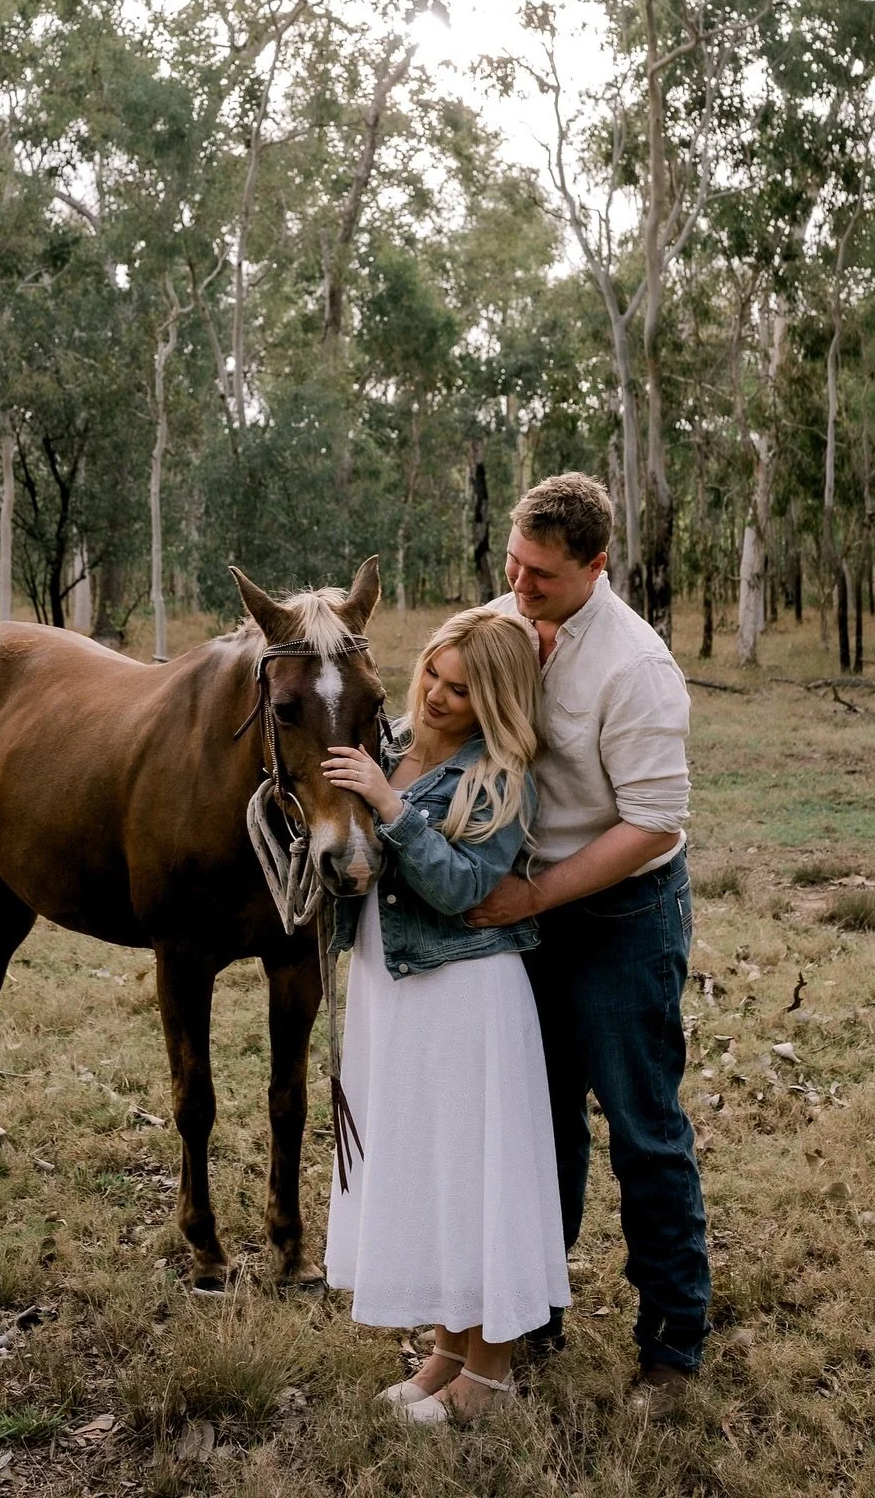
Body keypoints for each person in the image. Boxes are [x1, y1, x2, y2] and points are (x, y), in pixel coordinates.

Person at [466, 472, 709, 1418]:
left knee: (643, 1129)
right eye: (512, 566)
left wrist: (534, 893)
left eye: (541, 577)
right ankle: (535, 1316)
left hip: (622, 914)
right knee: (539, 1127)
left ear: (595, 567)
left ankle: (672, 1345)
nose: (518, 588)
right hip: (524, 913)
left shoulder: (636, 666)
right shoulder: (503, 615)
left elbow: (652, 822)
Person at [321, 606, 570, 1424]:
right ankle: (449, 1349)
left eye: (460, 692)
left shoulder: (498, 774)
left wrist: (392, 809)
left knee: (471, 1174)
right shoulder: (384, 744)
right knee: (430, 1167)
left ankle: (490, 1375)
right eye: (434, 672)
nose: (436, 695)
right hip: (394, 994)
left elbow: (464, 887)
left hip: (465, 998)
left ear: (491, 705)